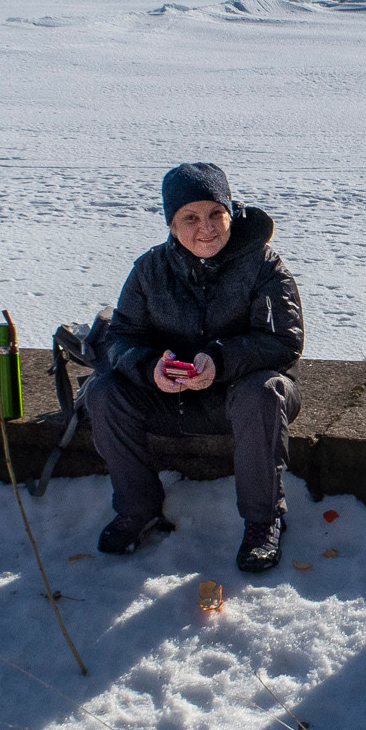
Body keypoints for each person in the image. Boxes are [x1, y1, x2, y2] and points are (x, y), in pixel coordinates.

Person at [84, 162, 304, 574]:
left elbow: (284, 341)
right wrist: (150, 368)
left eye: (215, 214)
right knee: (103, 392)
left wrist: (219, 361)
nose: (206, 228)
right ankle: (138, 509)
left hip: (244, 399)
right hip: (173, 398)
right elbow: (122, 337)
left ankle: (262, 520)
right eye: (190, 217)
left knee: (263, 390)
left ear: (230, 213)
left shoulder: (264, 265)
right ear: (170, 223)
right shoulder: (149, 270)